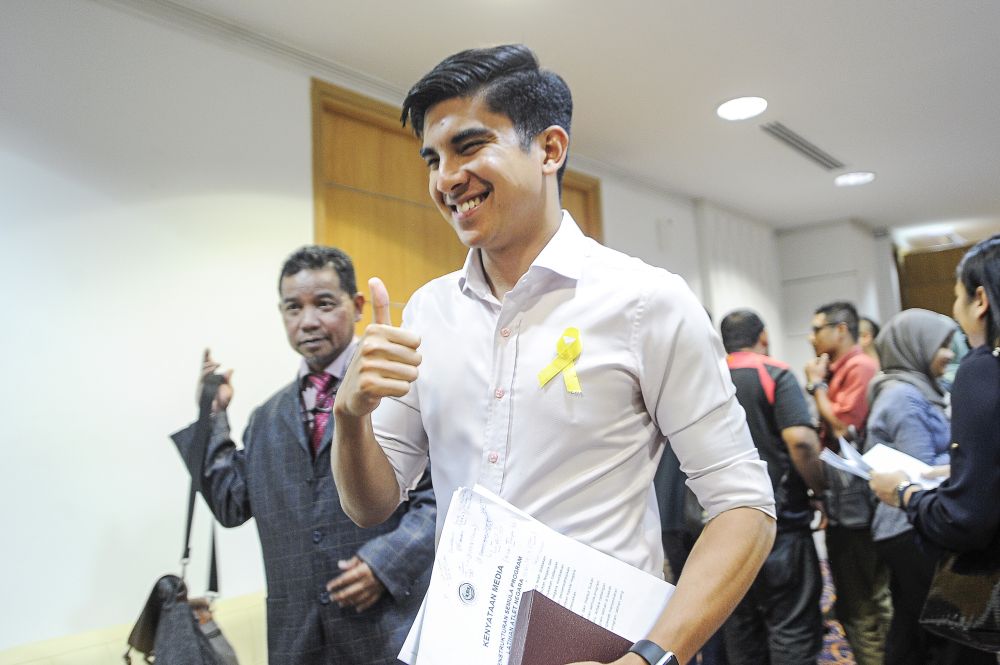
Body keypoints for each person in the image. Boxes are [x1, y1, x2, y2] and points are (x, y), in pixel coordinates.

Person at [331, 44, 776, 665]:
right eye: (433, 159)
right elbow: (370, 504)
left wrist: (652, 658)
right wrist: (349, 417)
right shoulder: (427, 313)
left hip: (602, 649)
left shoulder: (646, 301)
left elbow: (744, 504)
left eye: (468, 147)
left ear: (549, 149)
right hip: (460, 646)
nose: (444, 179)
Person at [171, 246, 436, 665]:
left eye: (324, 304)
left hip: (389, 633)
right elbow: (231, 503)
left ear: (358, 305)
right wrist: (213, 417)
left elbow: (440, 495)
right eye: (293, 308)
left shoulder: (396, 390)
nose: (308, 320)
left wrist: (386, 563)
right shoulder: (266, 418)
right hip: (297, 643)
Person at [871, 234, 1000, 663]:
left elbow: (966, 518)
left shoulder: (983, 371)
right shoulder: (904, 394)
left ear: (980, 300)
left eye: (957, 298)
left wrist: (905, 493)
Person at [865, 308, 981, 664]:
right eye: (941, 346)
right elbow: (919, 469)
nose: (948, 354)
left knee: (911, 626)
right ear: (913, 346)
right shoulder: (904, 397)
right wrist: (969, 468)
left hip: (910, 521)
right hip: (910, 525)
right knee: (940, 630)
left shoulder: (918, 390)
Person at [720, 310, 825, 665]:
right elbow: (802, 443)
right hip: (779, 523)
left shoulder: (709, 375)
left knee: (742, 630)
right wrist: (821, 492)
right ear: (763, 336)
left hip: (721, 528)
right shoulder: (774, 372)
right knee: (791, 624)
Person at [804, 300, 891, 665]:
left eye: (818, 328)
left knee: (870, 599)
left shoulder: (861, 367)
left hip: (859, 502)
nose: (811, 337)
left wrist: (817, 386)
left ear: (841, 329)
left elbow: (843, 427)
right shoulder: (839, 368)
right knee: (851, 597)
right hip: (841, 500)